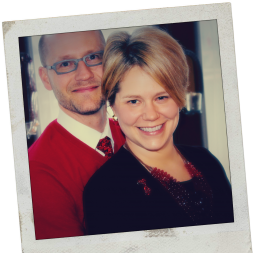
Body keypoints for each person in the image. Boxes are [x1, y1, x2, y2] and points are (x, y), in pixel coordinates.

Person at [83, 27, 234, 236]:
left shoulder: (207, 162)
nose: (151, 115)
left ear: (180, 96)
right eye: (134, 101)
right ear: (113, 106)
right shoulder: (105, 190)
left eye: (161, 97)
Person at [28, 30, 125, 240]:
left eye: (93, 57)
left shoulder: (134, 131)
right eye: (65, 64)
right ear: (45, 78)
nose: (85, 74)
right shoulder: (37, 171)